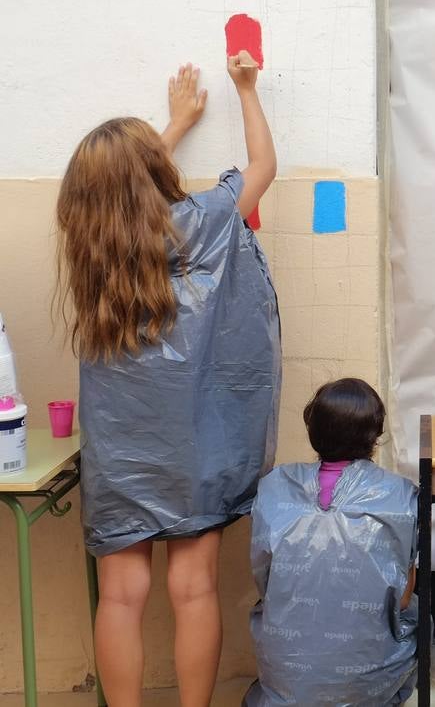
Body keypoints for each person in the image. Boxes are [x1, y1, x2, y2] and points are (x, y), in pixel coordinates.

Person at [56, 54, 279, 706]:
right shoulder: (203, 222)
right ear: (154, 171)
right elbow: (262, 168)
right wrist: (245, 90)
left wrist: (175, 122)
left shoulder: (88, 242)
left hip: (117, 448)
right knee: (194, 590)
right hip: (192, 449)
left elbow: (115, 187)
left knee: (121, 596)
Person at [246, 378, 418, 706]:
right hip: (365, 681)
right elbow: (404, 600)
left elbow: (266, 583)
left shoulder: (272, 488)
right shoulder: (402, 496)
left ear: (313, 430)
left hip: (287, 672)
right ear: (375, 436)